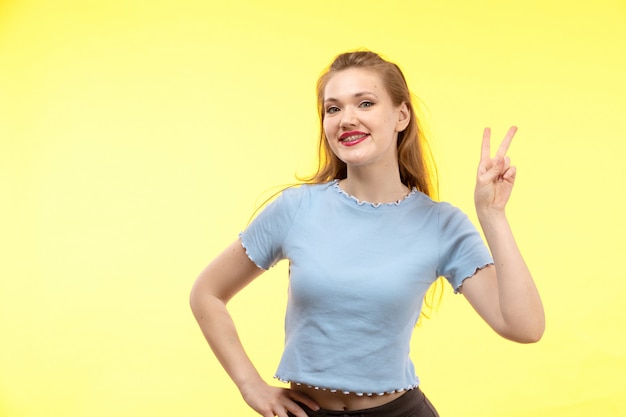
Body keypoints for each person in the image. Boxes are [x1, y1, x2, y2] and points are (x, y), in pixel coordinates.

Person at [190, 51, 545, 417]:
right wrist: (250, 386)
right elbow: (207, 293)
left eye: (365, 103)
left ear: (401, 116)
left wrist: (493, 216)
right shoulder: (296, 208)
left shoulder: (441, 224)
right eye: (333, 109)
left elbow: (525, 327)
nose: (347, 119)